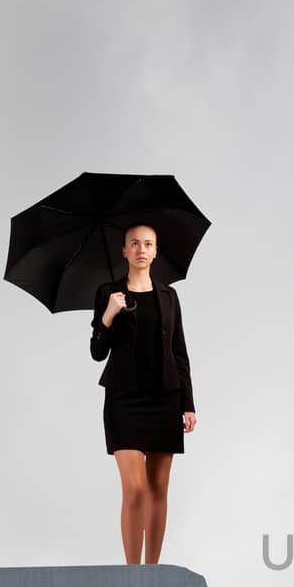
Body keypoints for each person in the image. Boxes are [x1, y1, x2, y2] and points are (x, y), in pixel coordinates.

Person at [89, 223, 198, 565]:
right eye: (133, 243)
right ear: (124, 251)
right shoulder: (108, 292)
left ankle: (152, 570)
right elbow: (96, 352)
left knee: (158, 491)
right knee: (135, 490)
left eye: (147, 244)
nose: (140, 249)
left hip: (165, 397)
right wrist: (108, 315)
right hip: (124, 399)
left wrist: (188, 404)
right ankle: (132, 570)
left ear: (155, 251)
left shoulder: (169, 296)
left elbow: (179, 351)